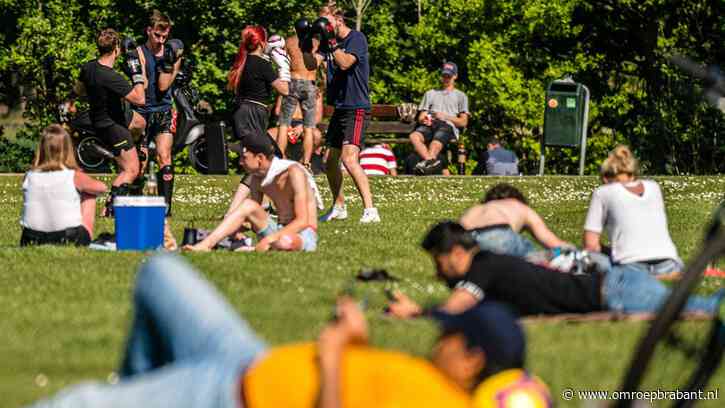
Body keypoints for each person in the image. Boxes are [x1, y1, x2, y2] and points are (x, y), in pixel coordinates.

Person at [26, 254, 551, 408]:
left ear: (473, 359)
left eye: (449, 338)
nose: (438, 341)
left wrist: (331, 352)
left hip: (235, 395)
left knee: (76, 405)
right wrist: (356, 341)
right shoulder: (431, 386)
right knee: (161, 271)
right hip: (249, 356)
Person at [387, 222, 723, 318]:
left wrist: (416, 312)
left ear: (457, 253)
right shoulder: (490, 266)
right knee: (701, 310)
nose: (438, 271)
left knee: (707, 312)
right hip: (617, 285)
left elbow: (456, 308)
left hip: (616, 291)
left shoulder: (483, 266)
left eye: (438, 261)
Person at [184, 133, 319, 252]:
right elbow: (250, 215)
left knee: (284, 242)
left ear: (259, 158)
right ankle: (206, 244)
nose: (240, 162)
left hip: (302, 233)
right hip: (278, 229)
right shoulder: (257, 178)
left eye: (244, 157)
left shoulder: (293, 172)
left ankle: (253, 248)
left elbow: (303, 221)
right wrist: (235, 230)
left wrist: (268, 240)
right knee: (248, 205)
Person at [314, 6, 380, 223]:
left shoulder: (356, 38)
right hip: (340, 109)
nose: (323, 26)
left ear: (338, 20)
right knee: (329, 161)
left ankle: (371, 211)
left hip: (357, 107)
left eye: (326, 21)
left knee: (349, 158)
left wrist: (332, 44)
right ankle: (339, 206)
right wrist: (306, 42)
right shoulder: (328, 41)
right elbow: (310, 64)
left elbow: (344, 63)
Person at [583, 145, 682, 277]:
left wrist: (611, 251)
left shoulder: (603, 192)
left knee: (587, 256)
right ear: (633, 174)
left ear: (606, 177)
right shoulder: (654, 187)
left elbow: (591, 245)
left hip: (631, 267)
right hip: (669, 263)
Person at [77, 28, 145, 215]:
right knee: (131, 169)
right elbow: (140, 99)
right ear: (117, 48)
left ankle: (124, 151)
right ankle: (110, 207)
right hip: (112, 126)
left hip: (99, 120)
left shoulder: (88, 68)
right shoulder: (112, 77)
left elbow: (79, 90)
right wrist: (136, 71)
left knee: (140, 122)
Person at [131, 10, 184, 216]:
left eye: (165, 36)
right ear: (149, 31)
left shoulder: (172, 51)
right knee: (140, 161)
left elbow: (165, 87)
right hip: (142, 112)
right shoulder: (138, 53)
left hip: (164, 110)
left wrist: (174, 62)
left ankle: (166, 209)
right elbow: (148, 84)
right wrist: (170, 66)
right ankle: (133, 203)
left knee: (165, 156)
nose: (161, 40)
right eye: (157, 35)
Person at [20, 124, 108, 246]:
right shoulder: (73, 176)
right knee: (89, 194)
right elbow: (102, 188)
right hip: (67, 237)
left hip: (30, 238)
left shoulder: (28, 176)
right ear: (68, 149)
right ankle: (84, 242)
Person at [459, 183, 570, 258]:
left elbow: (457, 231)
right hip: (499, 236)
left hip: (466, 241)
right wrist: (569, 250)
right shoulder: (519, 206)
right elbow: (550, 241)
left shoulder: (476, 209)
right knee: (538, 259)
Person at [227, 26, 289, 143]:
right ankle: (228, 148)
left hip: (241, 110)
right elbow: (285, 90)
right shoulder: (262, 64)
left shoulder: (241, 62)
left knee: (250, 150)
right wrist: (283, 66)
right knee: (261, 153)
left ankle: (229, 148)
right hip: (254, 114)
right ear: (261, 43)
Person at [276, 18, 324, 169]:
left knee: (283, 124)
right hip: (310, 84)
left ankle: (280, 160)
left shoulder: (288, 42)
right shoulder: (316, 43)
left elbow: (281, 63)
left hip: (292, 82)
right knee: (308, 128)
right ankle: (306, 163)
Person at [409, 61, 469, 175]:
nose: (446, 78)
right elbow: (421, 116)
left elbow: (464, 122)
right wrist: (424, 119)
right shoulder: (430, 93)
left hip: (447, 125)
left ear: (455, 76)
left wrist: (445, 116)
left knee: (434, 144)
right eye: (444, 75)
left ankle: (426, 166)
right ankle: (429, 163)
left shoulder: (461, 96)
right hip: (430, 123)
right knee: (414, 136)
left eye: (449, 76)